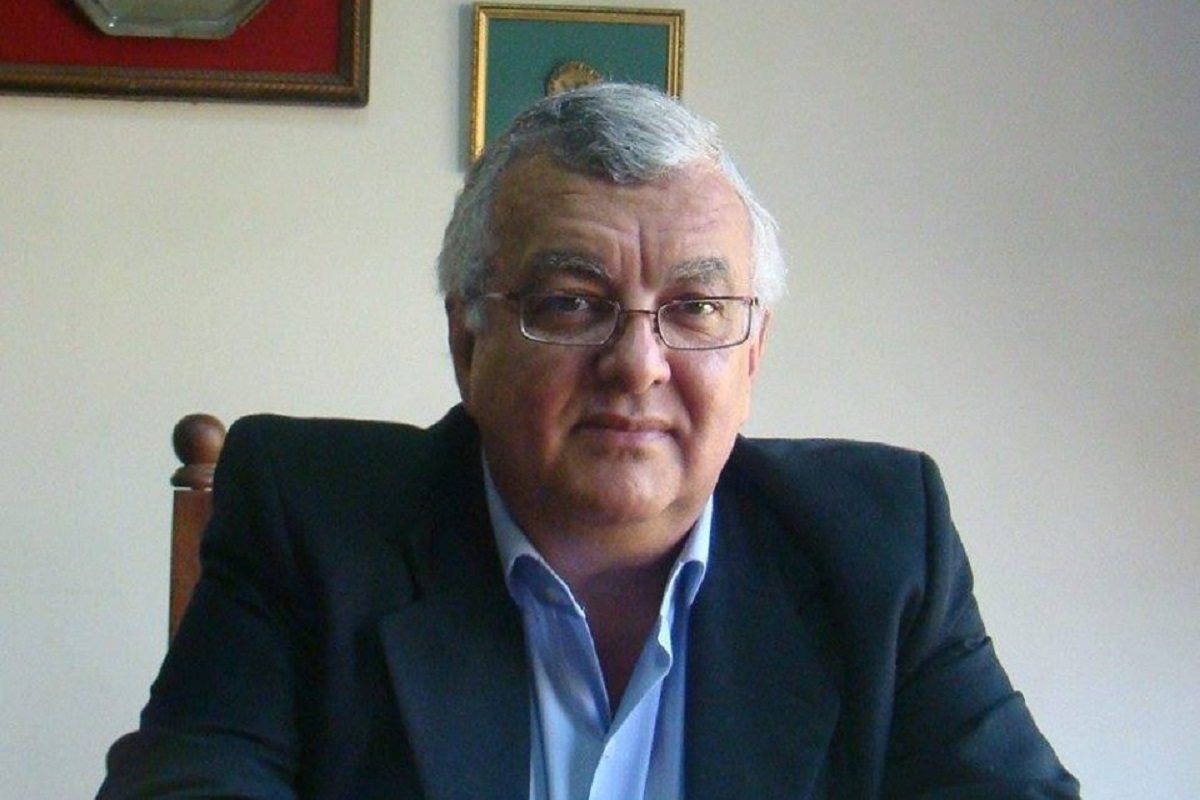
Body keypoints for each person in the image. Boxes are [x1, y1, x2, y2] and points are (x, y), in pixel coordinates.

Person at [98, 83, 1079, 799]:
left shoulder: (880, 546)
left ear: (753, 354)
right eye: (572, 302)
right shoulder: (311, 519)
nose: (638, 363)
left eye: (696, 307)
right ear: (467, 339)